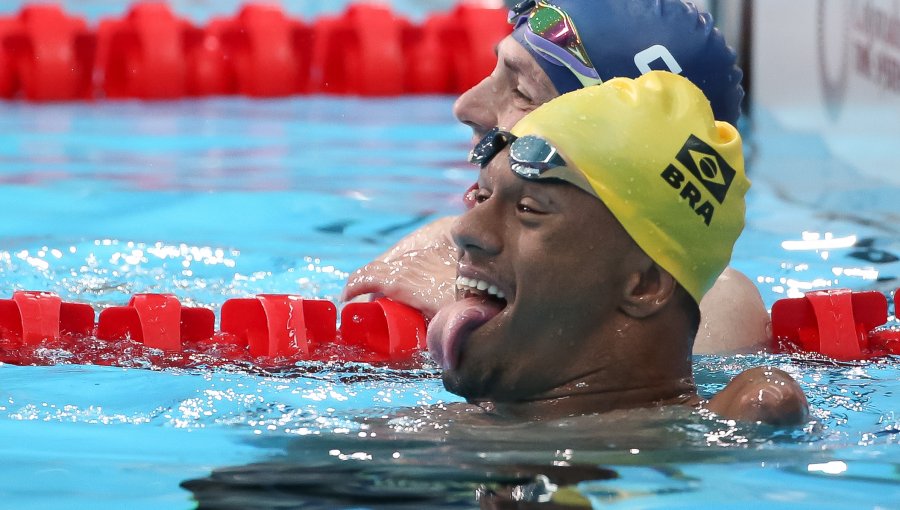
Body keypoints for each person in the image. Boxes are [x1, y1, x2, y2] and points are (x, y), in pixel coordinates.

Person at [342, 0, 770, 354]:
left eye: (522, 92)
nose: (465, 107)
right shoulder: (441, 244)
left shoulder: (712, 307)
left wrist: (464, 309)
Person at [426, 71, 808, 423]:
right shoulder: (426, 438)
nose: (464, 229)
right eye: (482, 197)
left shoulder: (711, 441)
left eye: (528, 209)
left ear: (645, 284)